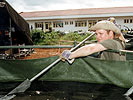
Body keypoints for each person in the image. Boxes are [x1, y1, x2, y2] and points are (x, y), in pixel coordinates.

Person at [61, 18, 126, 62]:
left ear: (111, 33)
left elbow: (91, 49)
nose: (98, 37)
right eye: (96, 34)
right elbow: (121, 37)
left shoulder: (112, 43)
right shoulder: (119, 42)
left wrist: (70, 55)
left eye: (101, 33)